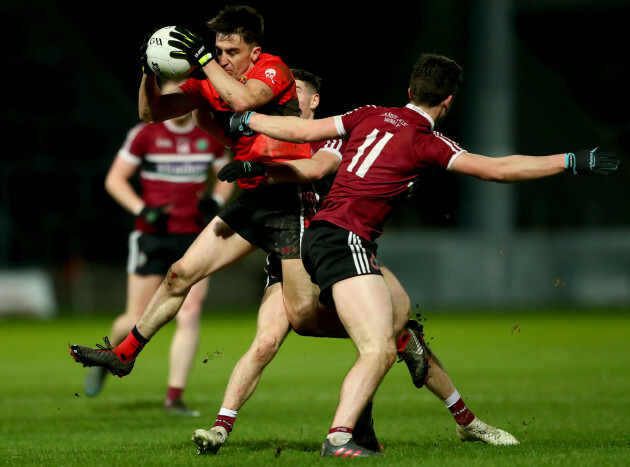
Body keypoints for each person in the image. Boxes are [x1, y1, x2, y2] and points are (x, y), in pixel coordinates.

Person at [223, 53, 619, 457]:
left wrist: (248, 120)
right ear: (447, 101)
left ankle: (464, 420)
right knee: (377, 349)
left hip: (323, 237)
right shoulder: (426, 140)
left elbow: (300, 131)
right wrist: (569, 161)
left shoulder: (369, 113)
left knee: (400, 319)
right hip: (345, 240)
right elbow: (498, 169)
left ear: (410, 91)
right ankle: (341, 437)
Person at [191, 68, 519, 456]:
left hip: (328, 248)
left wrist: (262, 168)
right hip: (297, 252)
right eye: (283, 91)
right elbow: (223, 133)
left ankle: (464, 420)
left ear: (313, 101)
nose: (286, 96)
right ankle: (221, 429)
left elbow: (315, 168)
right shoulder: (271, 135)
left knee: (387, 329)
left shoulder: (331, 135)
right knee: (273, 341)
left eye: (295, 91)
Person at [69, 4, 324, 415]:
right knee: (180, 273)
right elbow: (150, 113)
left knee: (305, 317)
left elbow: (243, 100)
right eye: (217, 49)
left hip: (289, 199)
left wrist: (204, 62)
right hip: (253, 200)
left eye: (231, 50)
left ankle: (394, 337)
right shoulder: (209, 82)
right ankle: (126, 354)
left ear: (254, 53)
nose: (222, 57)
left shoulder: (273, 70)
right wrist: (150, 70)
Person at [82, 79, 233, 416]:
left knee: (190, 313)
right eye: (172, 93)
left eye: (186, 92)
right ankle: (104, 358)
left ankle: (174, 398)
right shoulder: (145, 133)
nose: (179, 98)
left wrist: (214, 201)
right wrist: (141, 210)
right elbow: (114, 179)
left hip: (194, 237)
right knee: (135, 318)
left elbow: (229, 174)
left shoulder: (207, 130)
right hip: (152, 235)